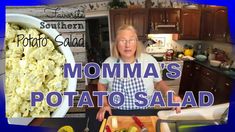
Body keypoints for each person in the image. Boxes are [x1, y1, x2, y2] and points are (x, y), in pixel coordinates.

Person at [96, 25, 182, 121]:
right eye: (123, 40)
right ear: (116, 44)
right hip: (116, 112)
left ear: (136, 43)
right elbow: (102, 84)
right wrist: (104, 104)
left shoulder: (149, 60)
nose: (127, 45)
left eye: (131, 40)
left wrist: (171, 94)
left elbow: (158, 82)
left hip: (145, 112)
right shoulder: (109, 63)